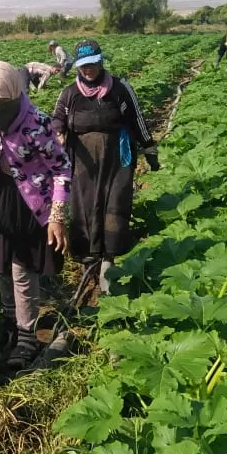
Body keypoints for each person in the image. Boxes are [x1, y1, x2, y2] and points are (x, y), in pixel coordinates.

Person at [0, 61, 71, 370]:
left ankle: (27, 334)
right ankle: (10, 321)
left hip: (32, 200)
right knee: (0, 266)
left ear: (14, 95)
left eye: (0, 104)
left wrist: (56, 216)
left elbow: (62, 169)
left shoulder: (36, 122)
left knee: (22, 269)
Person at [51, 40, 160, 295]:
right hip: (82, 162)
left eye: (92, 64)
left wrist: (150, 152)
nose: (88, 70)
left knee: (115, 206)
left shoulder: (120, 89)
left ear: (101, 62)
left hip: (117, 160)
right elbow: (57, 118)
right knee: (85, 207)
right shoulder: (70, 94)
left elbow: (137, 121)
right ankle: (89, 257)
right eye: (83, 66)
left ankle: (109, 259)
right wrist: (58, 133)